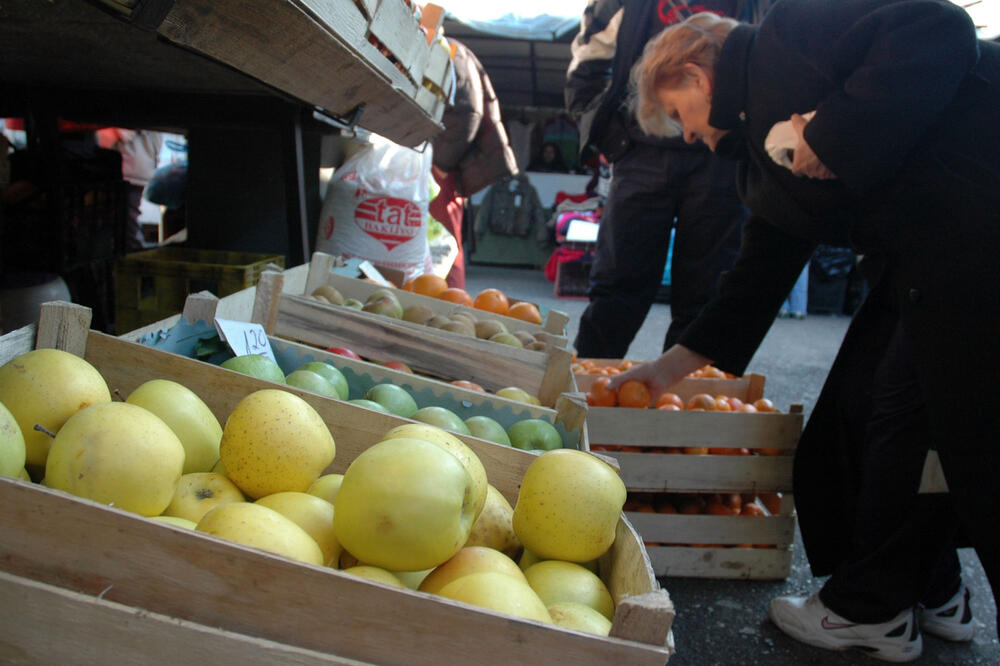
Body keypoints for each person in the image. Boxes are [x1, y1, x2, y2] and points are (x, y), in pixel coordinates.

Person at [611, 2, 1000, 661]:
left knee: (911, 420)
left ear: (696, 75)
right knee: (863, 412)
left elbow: (939, 27)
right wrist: (665, 370)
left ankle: (870, 608)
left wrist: (836, 134)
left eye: (678, 113)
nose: (686, 136)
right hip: (935, 254)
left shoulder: (789, 36)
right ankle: (928, 589)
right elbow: (759, 274)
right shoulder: (762, 148)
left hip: (976, 234)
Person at [565, 0, 769, 359]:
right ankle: (585, 384)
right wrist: (603, 130)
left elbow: (765, 52)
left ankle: (684, 391)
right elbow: (588, 58)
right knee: (617, 284)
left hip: (721, 153)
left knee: (708, 290)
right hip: (641, 147)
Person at [430, 38, 518, 288]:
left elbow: (468, 112)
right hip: (441, 167)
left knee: (443, 244)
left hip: (440, 170)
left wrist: (440, 164)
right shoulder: (449, 49)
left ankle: (450, 303)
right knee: (441, 242)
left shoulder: (449, 50)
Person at [96, 128, 163, 252]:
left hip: (126, 167)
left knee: (125, 222)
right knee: (125, 220)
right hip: (137, 164)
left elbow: (107, 137)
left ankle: (135, 256)